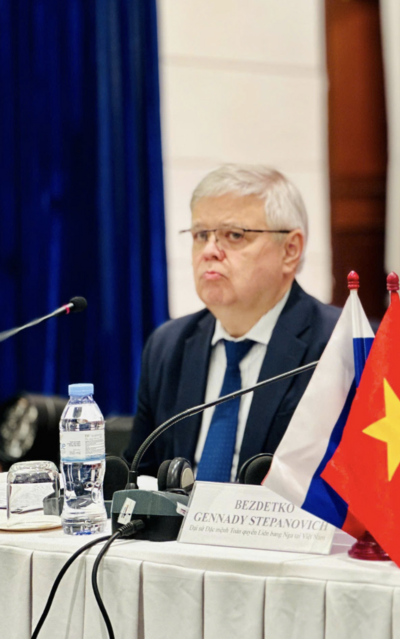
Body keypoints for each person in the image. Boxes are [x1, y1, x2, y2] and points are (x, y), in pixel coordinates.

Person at [124, 165, 341, 481]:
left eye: (234, 235)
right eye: (201, 235)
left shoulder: (340, 345)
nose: (210, 251)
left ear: (290, 250)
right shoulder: (167, 346)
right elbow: (138, 477)